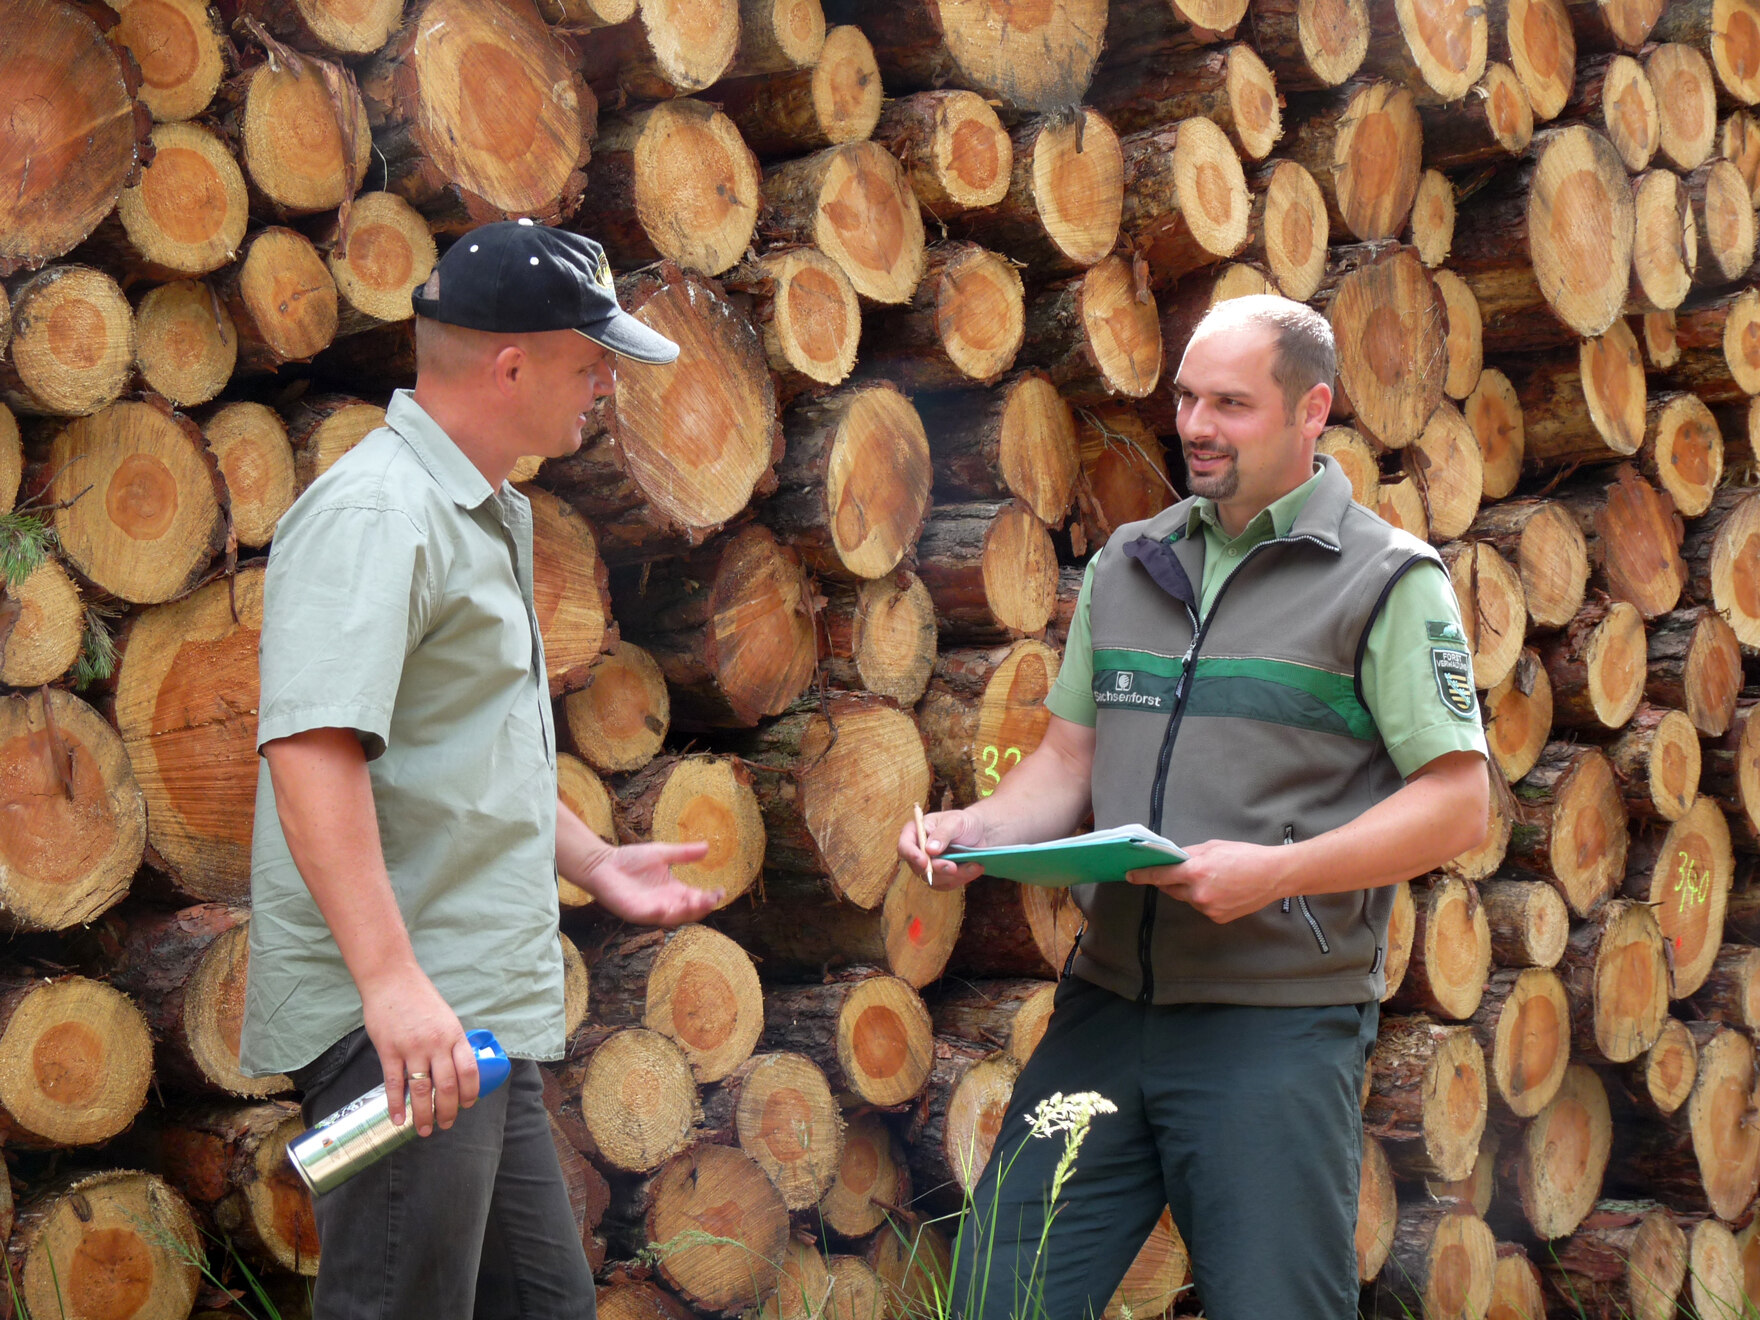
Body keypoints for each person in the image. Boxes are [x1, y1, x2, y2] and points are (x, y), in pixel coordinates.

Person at [899, 294, 1491, 1320]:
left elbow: (1457, 806)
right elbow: (1067, 760)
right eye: (1184, 398)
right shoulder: (1128, 564)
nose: (1196, 426)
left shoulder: (1385, 583)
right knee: (1001, 1296)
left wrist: (1278, 873)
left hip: (1273, 1027)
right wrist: (981, 831)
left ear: (1312, 411)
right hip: (1106, 1008)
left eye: (1230, 403)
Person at [243, 220, 719, 1320]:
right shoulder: (379, 514)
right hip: (406, 1027)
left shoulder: (469, 507)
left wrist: (593, 857)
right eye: (590, 359)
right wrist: (391, 987)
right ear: (511, 365)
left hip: (468, 1020)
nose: (605, 383)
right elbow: (310, 752)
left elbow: (456, 749)